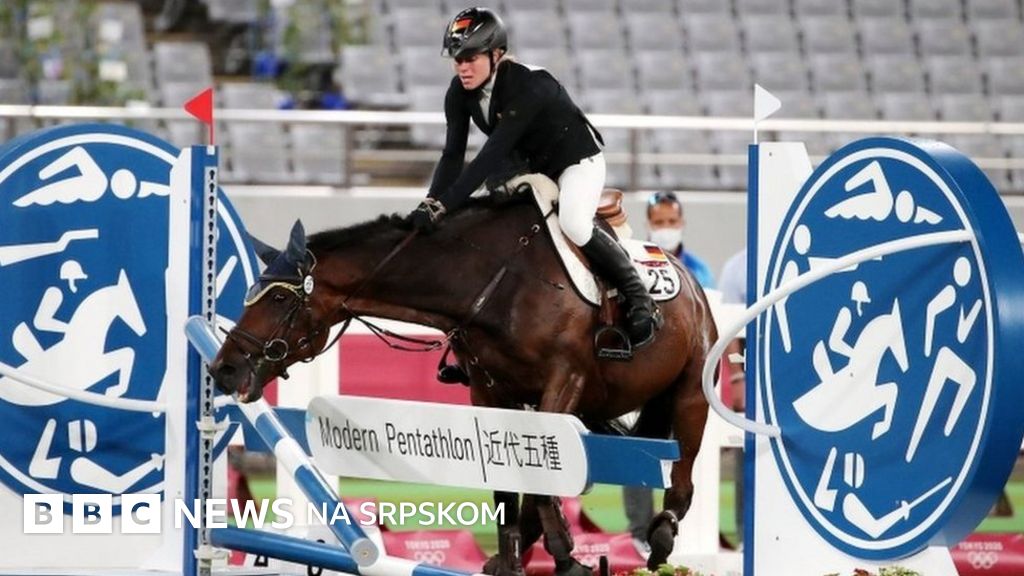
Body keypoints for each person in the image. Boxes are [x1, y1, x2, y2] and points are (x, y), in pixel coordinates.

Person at [408, 7, 661, 349]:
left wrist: (445, 206)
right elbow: (452, 155)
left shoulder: (528, 85)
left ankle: (638, 294)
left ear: (496, 54)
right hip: (528, 165)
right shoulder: (459, 92)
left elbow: (490, 154)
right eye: (457, 60)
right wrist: (430, 202)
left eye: (471, 58)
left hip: (576, 162)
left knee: (573, 222)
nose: (462, 68)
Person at [645, 191, 715, 288]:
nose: (666, 227)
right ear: (648, 226)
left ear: (682, 224)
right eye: (659, 222)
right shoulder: (634, 266)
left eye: (672, 221)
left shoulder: (699, 271)